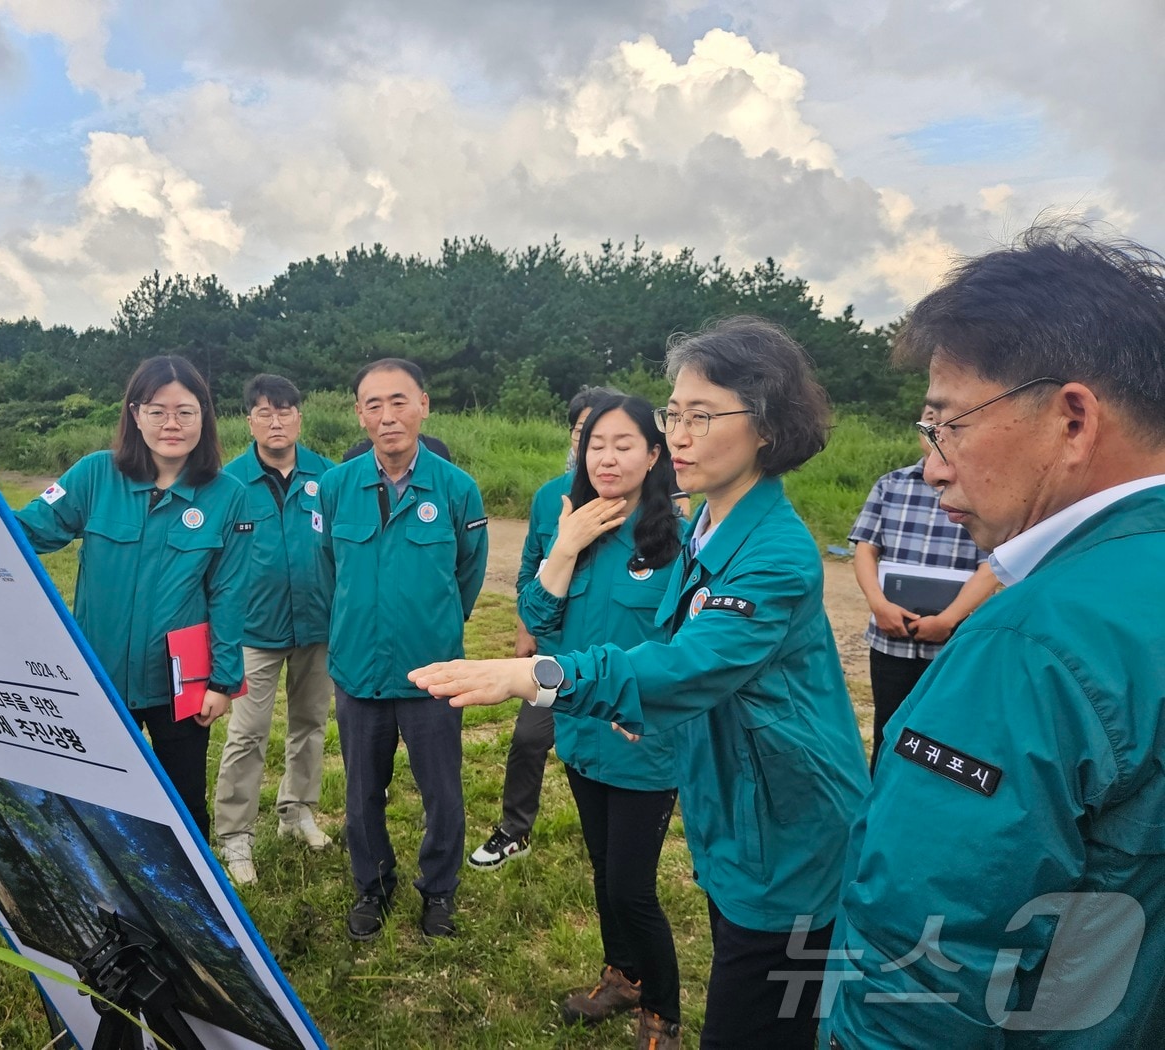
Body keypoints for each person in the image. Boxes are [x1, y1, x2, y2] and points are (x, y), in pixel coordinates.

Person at [411, 318, 869, 1049]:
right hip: (735, 805)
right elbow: (667, 650)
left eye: (701, 416)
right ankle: (629, 979)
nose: (680, 435)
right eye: (675, 415)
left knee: (757, 1025)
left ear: (767, 428)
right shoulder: (711, 531)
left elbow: (684, 664)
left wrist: (531, 673)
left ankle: (663, 1008)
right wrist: (642, 703)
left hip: (787, 829)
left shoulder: (772, 554)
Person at [824, 225, 1165, 1047]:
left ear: (1072, 421)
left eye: (948, 423)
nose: (933, 463)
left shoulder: (1032, 644)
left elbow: (925, 969)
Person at [16, 355, 247, 839]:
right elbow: (25, 531)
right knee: (97, 804)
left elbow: (229, 592)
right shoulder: (95, 475)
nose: (171, 423)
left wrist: (223, 682)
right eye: (157, 410)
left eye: (186, 411)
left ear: (204, 417)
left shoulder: (228, 495)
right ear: (135, 413)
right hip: (98, 679)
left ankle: (194, 907)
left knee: (185, 807)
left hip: (179, 685)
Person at [516, 394, 685, 1034]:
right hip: (582, 732)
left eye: (623, 444)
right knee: (603, 869)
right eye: (595, 444)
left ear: (653, 454)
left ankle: (662, 1015)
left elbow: (685, 649)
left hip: (642, 737)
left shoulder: (677, 538)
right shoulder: (575, 524)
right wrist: (563, 547)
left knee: (632, 889)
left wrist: (651, 702)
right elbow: (537, 621)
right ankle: (622, 975)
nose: (607, 457)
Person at [315, 358, 489, 940]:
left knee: (442, 790)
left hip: (432, 671)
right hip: (358, 670)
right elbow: (326, 573)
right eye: (373, 404)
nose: (387, 416)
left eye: (399, 401)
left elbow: (468, 575)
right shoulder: (336, 488)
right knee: (362, 792)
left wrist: (433, 625)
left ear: (423, 405)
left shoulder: (457, 489)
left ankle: (438, 892)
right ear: (359, 414)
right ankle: (374, 884)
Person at [469, 385, 620, 870]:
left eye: (608, 435)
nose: (594, 446)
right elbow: (529, 567)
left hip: (618, 656)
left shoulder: (644, 503)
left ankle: (618, 841)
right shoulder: (546, 498)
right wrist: (524, 630)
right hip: (555, 654)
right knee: (531, 739)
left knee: (616, 747)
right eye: (585, 434)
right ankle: (515, 829)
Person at [212, 374, 337, 885]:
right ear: (249, 421)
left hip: (318, 625)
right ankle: (235, 834)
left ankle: (297, 810)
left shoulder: (328, 478)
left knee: (310, 725)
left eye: (285, 411)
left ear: (299, 418)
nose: (276, 421)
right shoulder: (227, 483)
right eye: (264, 412)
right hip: (253, 631)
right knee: (247, 733)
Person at [849, 423, 998, 770]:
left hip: (951, 642)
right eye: (929, 419)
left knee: (943, 738)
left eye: (948, 422)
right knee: (887, 727)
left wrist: (949, 619)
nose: (936, 428)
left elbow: (991, 565)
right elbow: (865, 550)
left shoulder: (982, 491)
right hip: (890, 637)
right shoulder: (891, 485)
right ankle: (878, 811)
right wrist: (878, 605)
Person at [342, 433, 451, 463]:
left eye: (398, 404)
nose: (388, 417)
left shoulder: (437, 450)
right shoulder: (353, 460)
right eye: (375, 406)